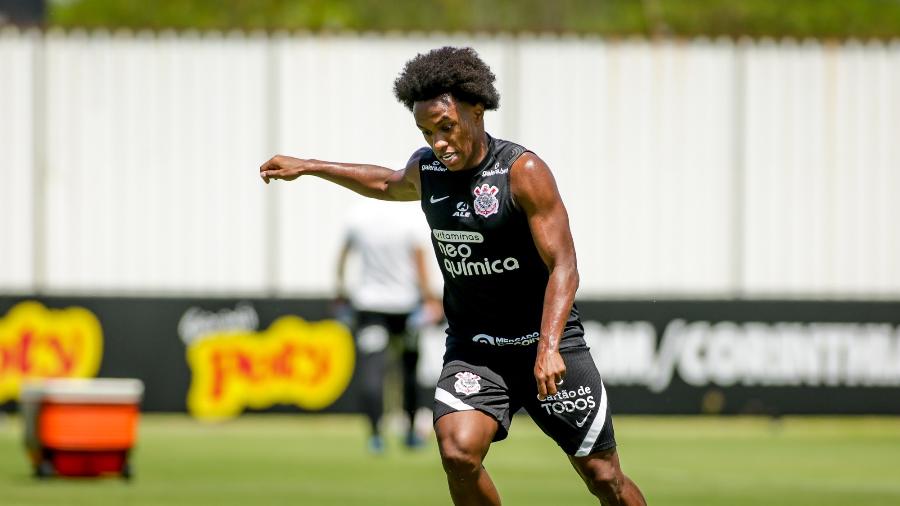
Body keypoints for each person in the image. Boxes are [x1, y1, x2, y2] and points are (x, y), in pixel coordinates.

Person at [260, 46, 647, 505]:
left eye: (446, 127)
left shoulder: (522, 172)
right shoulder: (428, 170)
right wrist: (310, 166)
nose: (438, 142)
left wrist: (548, 348)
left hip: (547, 347)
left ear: (476, 110)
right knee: (458, 451)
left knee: (604, 478)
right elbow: (386, 182)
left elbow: (564, 266)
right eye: (427, 132)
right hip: (476, 350)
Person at [335, 199, 441, 453]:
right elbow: (420, 264)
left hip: (369, 306)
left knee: (373, 370)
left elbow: (342, 258)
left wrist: (340, 293)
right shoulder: (412, 217)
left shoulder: (358, 215)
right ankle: (411, 432)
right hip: (406, 307)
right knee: (409, 369)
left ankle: (375, 435)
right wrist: (431, 299)